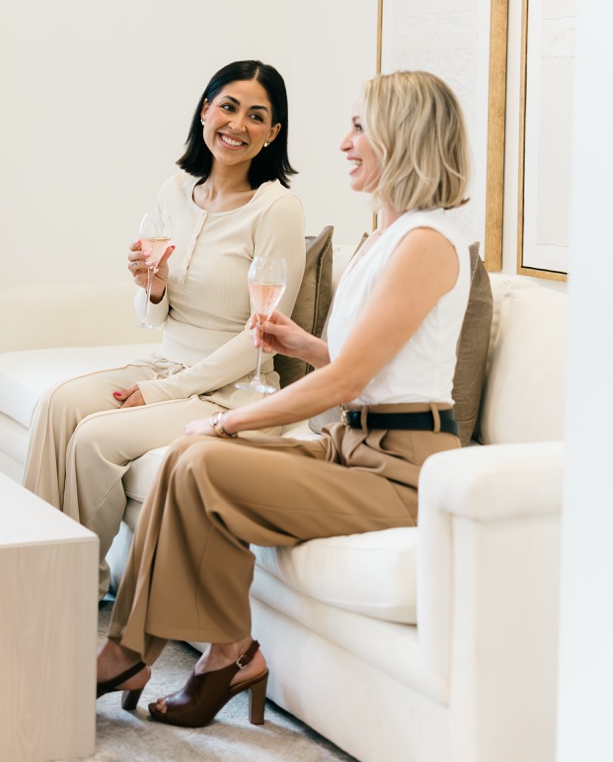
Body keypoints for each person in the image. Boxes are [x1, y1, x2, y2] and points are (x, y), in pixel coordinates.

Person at [95, 69, 472, 727]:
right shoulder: (384, 237)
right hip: (349, 443)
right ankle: (221, 652)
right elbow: (366, 366)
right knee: (193, 465)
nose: (344, 143)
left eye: (359, 127)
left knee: (203, 454)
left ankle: (135, 652)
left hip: (402, 467)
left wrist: (226, 418)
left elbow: (349, 383)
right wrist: (303, 346)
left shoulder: (425, 243)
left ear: (401, 137)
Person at [22, 59, 306, 599]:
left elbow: (260, 336)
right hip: (166, 361)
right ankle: (32, 568)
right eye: (227, 106)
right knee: (56, 405)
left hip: (229, 389)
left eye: (256, 116)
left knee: (95, 438)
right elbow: (153, 314)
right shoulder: (174, 191)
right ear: (205, 111)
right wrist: (152, 287)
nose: (237, 124)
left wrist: (160, 392)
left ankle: (72, 594)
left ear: (273, 133)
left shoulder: (278, 209)